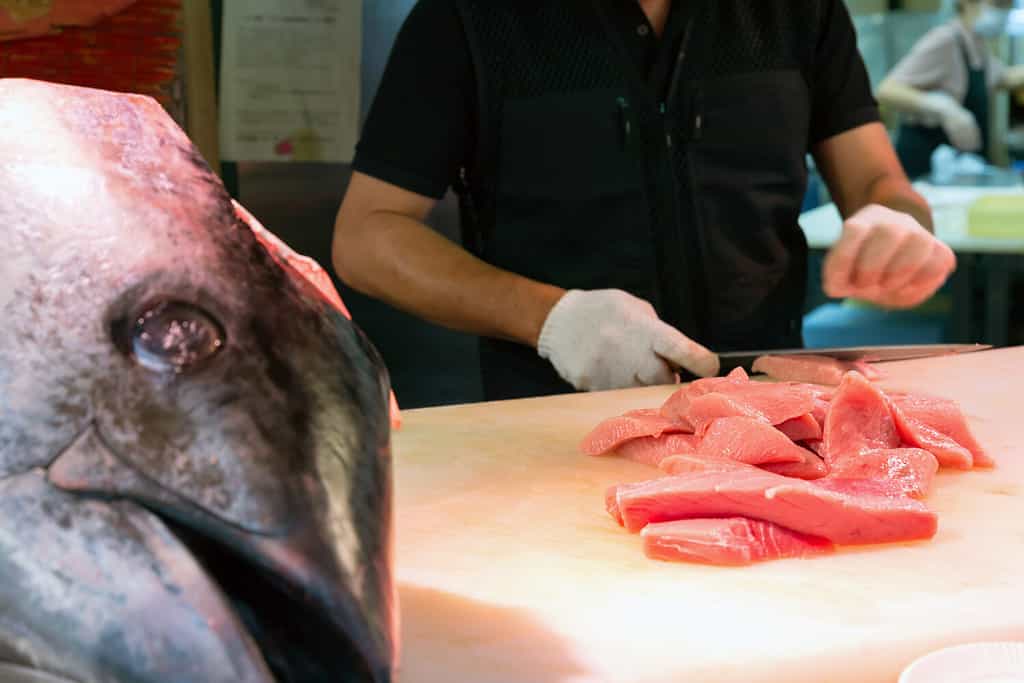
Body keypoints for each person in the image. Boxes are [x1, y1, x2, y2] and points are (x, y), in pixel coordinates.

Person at [333, 0, 956, 401]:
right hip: (554, 426)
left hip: (776, 412)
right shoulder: (465, 18)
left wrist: (895, 225)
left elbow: (879, 183)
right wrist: (552, 318)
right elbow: (368, 235)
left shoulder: (799, 11)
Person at [878, 0, 1024, 179]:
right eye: (998, 5)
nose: (1004, 13)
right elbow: (887, 90)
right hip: (926, 168)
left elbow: (1003, 78)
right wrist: (944, 107)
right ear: (966, 3)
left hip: (959, 167)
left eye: (1008, 7)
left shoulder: (977, 43)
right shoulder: (944, 40)